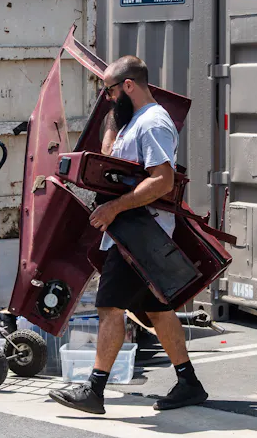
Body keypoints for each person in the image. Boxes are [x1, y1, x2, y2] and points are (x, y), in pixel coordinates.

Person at [48, 55, 208, 414]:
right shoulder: (132, 122)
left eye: (110, 91)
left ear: (129, 86)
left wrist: (115, 208)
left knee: (109, 307)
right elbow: (109, 162)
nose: (107, 97)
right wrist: (111, 120)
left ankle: (94, 390)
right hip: (133, 232)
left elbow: (162, 181)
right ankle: (189, 384)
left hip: (140, 234)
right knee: (158, 310)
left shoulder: (152, 123)